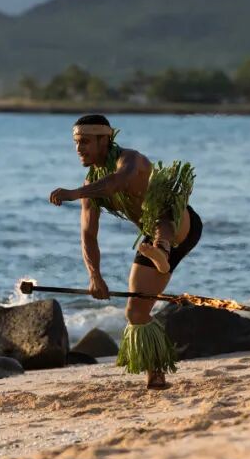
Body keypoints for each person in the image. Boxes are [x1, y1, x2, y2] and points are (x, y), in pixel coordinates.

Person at [49, 114, 202, 390]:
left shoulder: (131, 160)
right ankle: (156, 376)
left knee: (161, 214)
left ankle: (162, 254)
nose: (78, 149)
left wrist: (74, 193)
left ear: (104, 139)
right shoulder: (91, 182)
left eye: (84, 142)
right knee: (135, 313)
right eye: (75, 143)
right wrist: (95, 276)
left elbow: (118, 182)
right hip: (150, 242)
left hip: (181, 225)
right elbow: (88, 235)